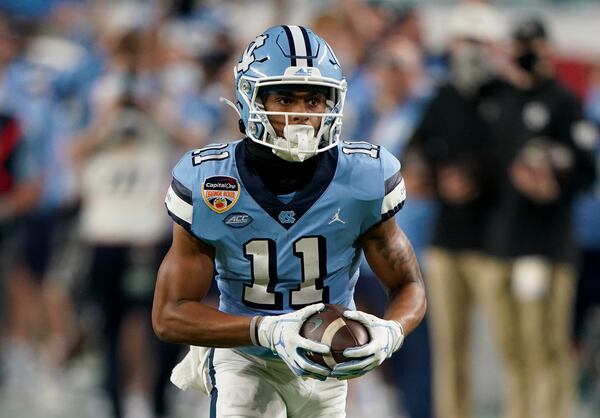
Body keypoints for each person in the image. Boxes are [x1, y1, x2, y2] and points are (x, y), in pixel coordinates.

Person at [152, 25, 427, 417]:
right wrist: (268, 330)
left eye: (314, 100)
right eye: (284, 97)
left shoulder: (364, 177)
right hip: (246, 359)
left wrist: (389, 332)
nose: (300, 114)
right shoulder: (211, 183)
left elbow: (408, 285)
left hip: (327, 367)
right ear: (249, 98)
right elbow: (169, 314)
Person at [484, 17, 597, 418]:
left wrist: (552, 184)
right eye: (520, 46)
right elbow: (491, 170)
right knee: (513, 350)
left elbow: (587, 170)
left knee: (547, 348)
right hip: (503, 245)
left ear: (547, 50)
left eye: (532, 46)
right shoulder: (501, 103)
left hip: (548, 245)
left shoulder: (565, 102)